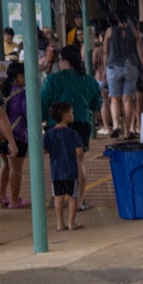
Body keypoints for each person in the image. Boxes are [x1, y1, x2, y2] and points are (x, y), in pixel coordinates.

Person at [41, 46, 102, 211]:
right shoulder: (89, 80)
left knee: (57, 162)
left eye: (59, 60)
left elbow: (43, 104)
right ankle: (79, 200)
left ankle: (57, 197)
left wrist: (42, 119)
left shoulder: (52, 80)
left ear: (65, 60)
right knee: (77, 162)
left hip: (56, 125)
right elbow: (97, 104)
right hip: (81, 123)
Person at [103, 13, 143, 139]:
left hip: (113, 67)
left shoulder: (109, 31)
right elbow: (141, 53)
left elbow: (105, 52)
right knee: (128, 99)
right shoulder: (135, 33)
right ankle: (127, 131)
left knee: (114, 98)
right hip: (130, 66)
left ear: (118, 20)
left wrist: (104, 70)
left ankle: (116, 125)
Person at [43, 101, 85, 231]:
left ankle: (60, 224)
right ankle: (72, 223)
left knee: (58, 198)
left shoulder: (49, 133)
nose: (73, 115)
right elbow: (79, 151)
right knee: (73, 196)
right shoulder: (72, 133)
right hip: (70, 170)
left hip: (56, 171)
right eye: (71, 113)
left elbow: (44, 150)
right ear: (65, 116)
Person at [0, 63, 27, 208]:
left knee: (5, 165)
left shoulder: (5, 89)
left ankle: (2, 195)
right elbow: (27, 113)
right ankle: (14, 200)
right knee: (16, 168)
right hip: (17, 135)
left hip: (1, 136)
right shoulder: (22, 93)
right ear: (19, 76)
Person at [92, 29, 110, 136]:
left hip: (100, 76)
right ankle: (114, 123)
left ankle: (106, 126)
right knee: (112, 101)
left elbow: (94, 64)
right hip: (111, 77)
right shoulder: (113, 49)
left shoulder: (97, 50)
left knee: (103, 102)